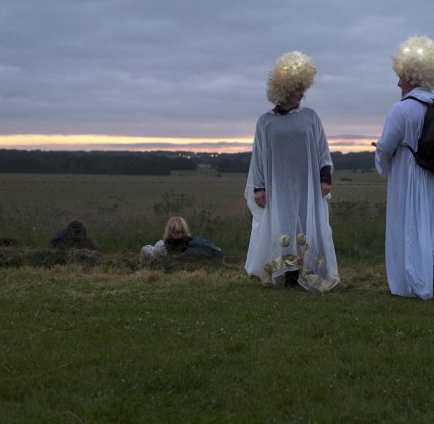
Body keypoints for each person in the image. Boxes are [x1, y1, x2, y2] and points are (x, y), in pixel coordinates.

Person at [244, 51, 340, 292]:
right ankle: (287, 273)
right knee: (283, 226)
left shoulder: (310, 117)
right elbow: (259, 156)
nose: (302, 94)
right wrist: (259, 187)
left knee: (308, 226)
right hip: (279, 186)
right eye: (297, 89)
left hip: (308, 186)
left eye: (303, 89)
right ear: (284, 90)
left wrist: (325, 178)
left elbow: (322, 149)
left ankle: (311, 271)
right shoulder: (265, 121)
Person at [374, 36, 434, 299]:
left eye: (401, 76)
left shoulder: (402, 110)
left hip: (411, 177)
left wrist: (382, 162)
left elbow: (386, 146)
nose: (398, 82)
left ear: (411, 77)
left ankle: (414, 282)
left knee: (413, 228)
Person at [140, 216, 224, 259]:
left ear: (183, 231)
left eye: (179, 231)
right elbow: (145, 250)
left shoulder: (193, 243)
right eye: (173, 231)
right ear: (169, 231)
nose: (176, 234)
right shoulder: (162, 246)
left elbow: (216, 250)